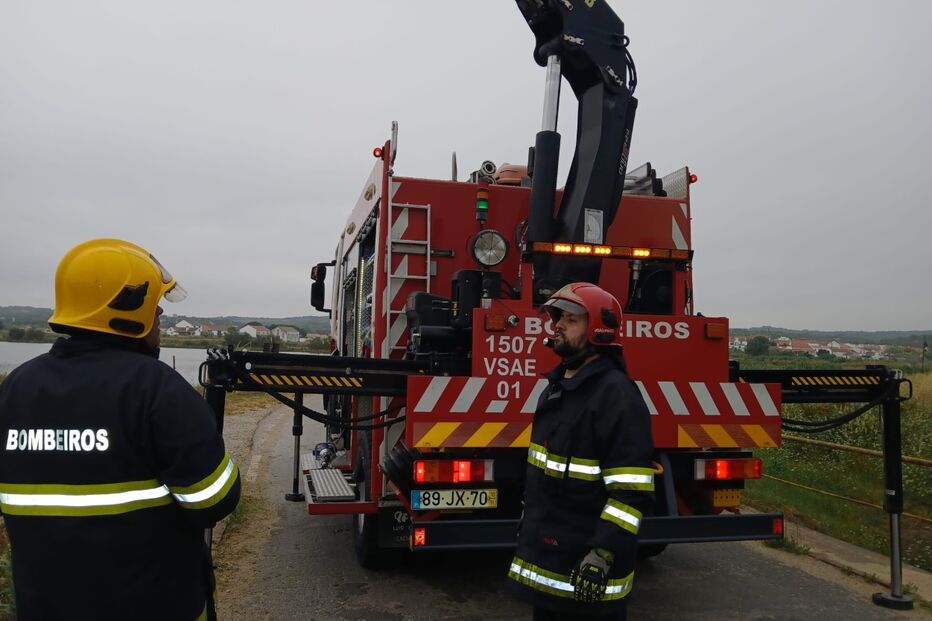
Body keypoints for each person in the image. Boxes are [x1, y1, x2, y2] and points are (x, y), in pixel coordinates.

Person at [0, 239, 240, 621]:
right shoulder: (157, 389)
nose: (159, 311)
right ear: (125, 307)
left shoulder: (16, 386)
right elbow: (214, 498)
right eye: (152, 301)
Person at [506, 282, 654, 621]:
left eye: (570, 319)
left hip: (589, 578)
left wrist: (603, 554)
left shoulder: (617, 397)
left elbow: (630, 493)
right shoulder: (557, 389)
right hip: (550, 568)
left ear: (598, 329)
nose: (556, 325)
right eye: (556, 317)